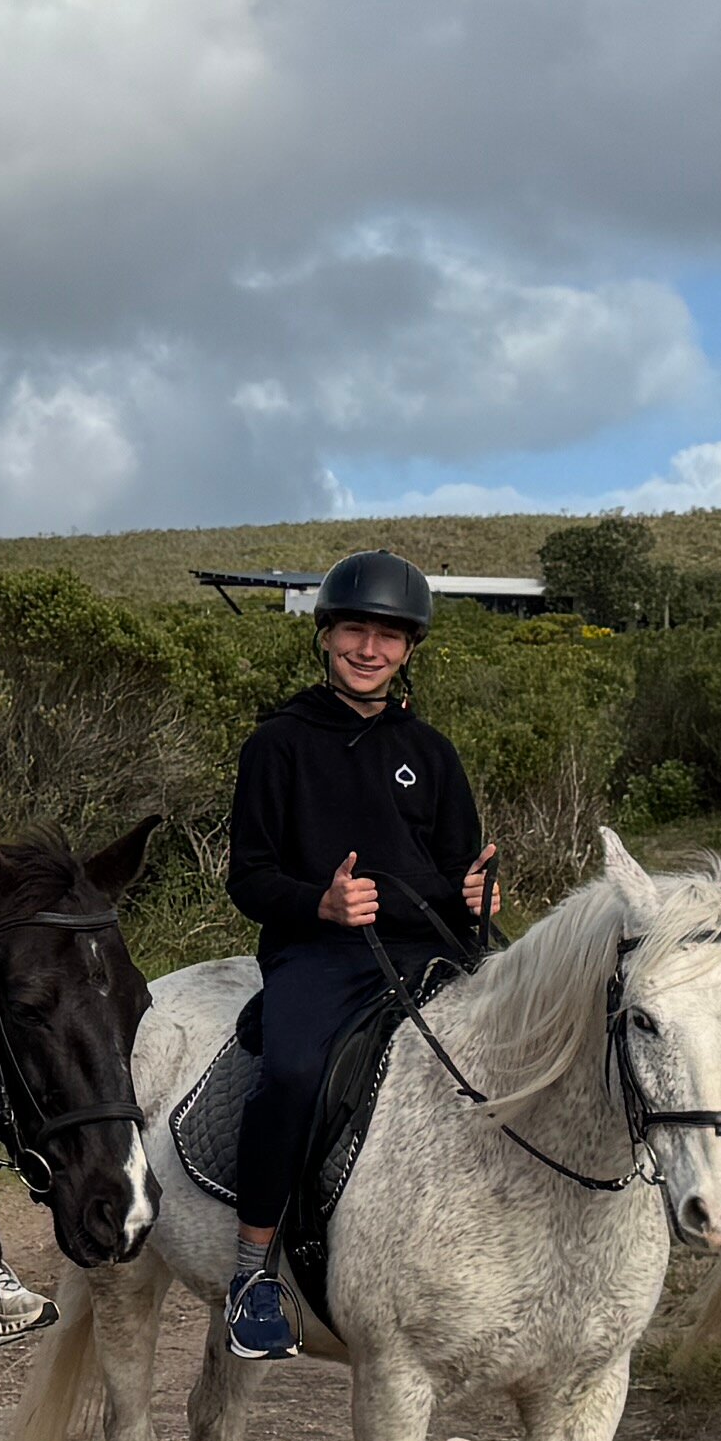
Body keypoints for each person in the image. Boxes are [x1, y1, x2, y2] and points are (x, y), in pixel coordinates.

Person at [220, 553, 496, 1364]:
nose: (368, 649)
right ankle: (252, 1272)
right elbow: (250, 878)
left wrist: (473, 899)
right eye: (354, 631)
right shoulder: (277, 745)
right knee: (295, 1074)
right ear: (326, 636)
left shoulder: (432, 752)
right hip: (320, 955)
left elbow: (455, 874)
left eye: (387, 636)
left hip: (427, 952)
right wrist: (321, 903)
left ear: (409, 649)